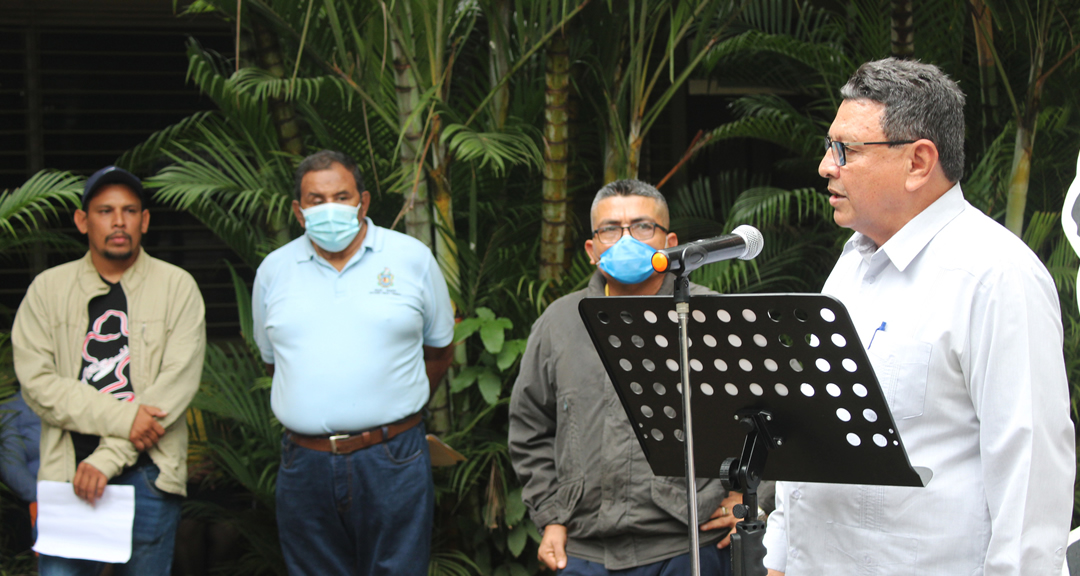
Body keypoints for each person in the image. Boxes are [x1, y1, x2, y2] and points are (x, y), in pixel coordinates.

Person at [762, 58, 1076, 575]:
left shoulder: (994, 275)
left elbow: (1031, 473)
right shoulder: (851, 264)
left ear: (918, 162)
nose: (825, 166)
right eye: (828, 145)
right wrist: (778, 555)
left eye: (845, 150)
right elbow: (815, 437)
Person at [509, 179, 744, 576]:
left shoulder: (709, 317)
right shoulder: (560, 323)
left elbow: (773, 418)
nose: (626, 240)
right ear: (591, 249)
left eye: (642, 227)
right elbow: (530, 426)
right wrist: (551, 516)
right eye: (610, 230)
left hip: (688, 545)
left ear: (669, 241)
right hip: (584, 552)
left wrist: (747, 498)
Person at [252, 150, 455, 576]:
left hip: (393, 456)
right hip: (304, 462)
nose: (329, 208)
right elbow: (275, 364)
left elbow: (439, 351)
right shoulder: (274, 271)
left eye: (341, 196)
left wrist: (392, 409)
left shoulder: (411, 258)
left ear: (362, 202)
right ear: (298, 210)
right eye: (315, 199)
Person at [12, 166, 206, 575]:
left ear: (145, 221)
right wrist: (124, 419)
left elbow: (174, 388)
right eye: (105, 210)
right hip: (69, 477)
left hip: (148, 475)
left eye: (130, 210)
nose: (119, 221)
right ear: (83, 221)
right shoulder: (47, 290)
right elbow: (38, 384)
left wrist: (107, 458)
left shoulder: (178, 287)